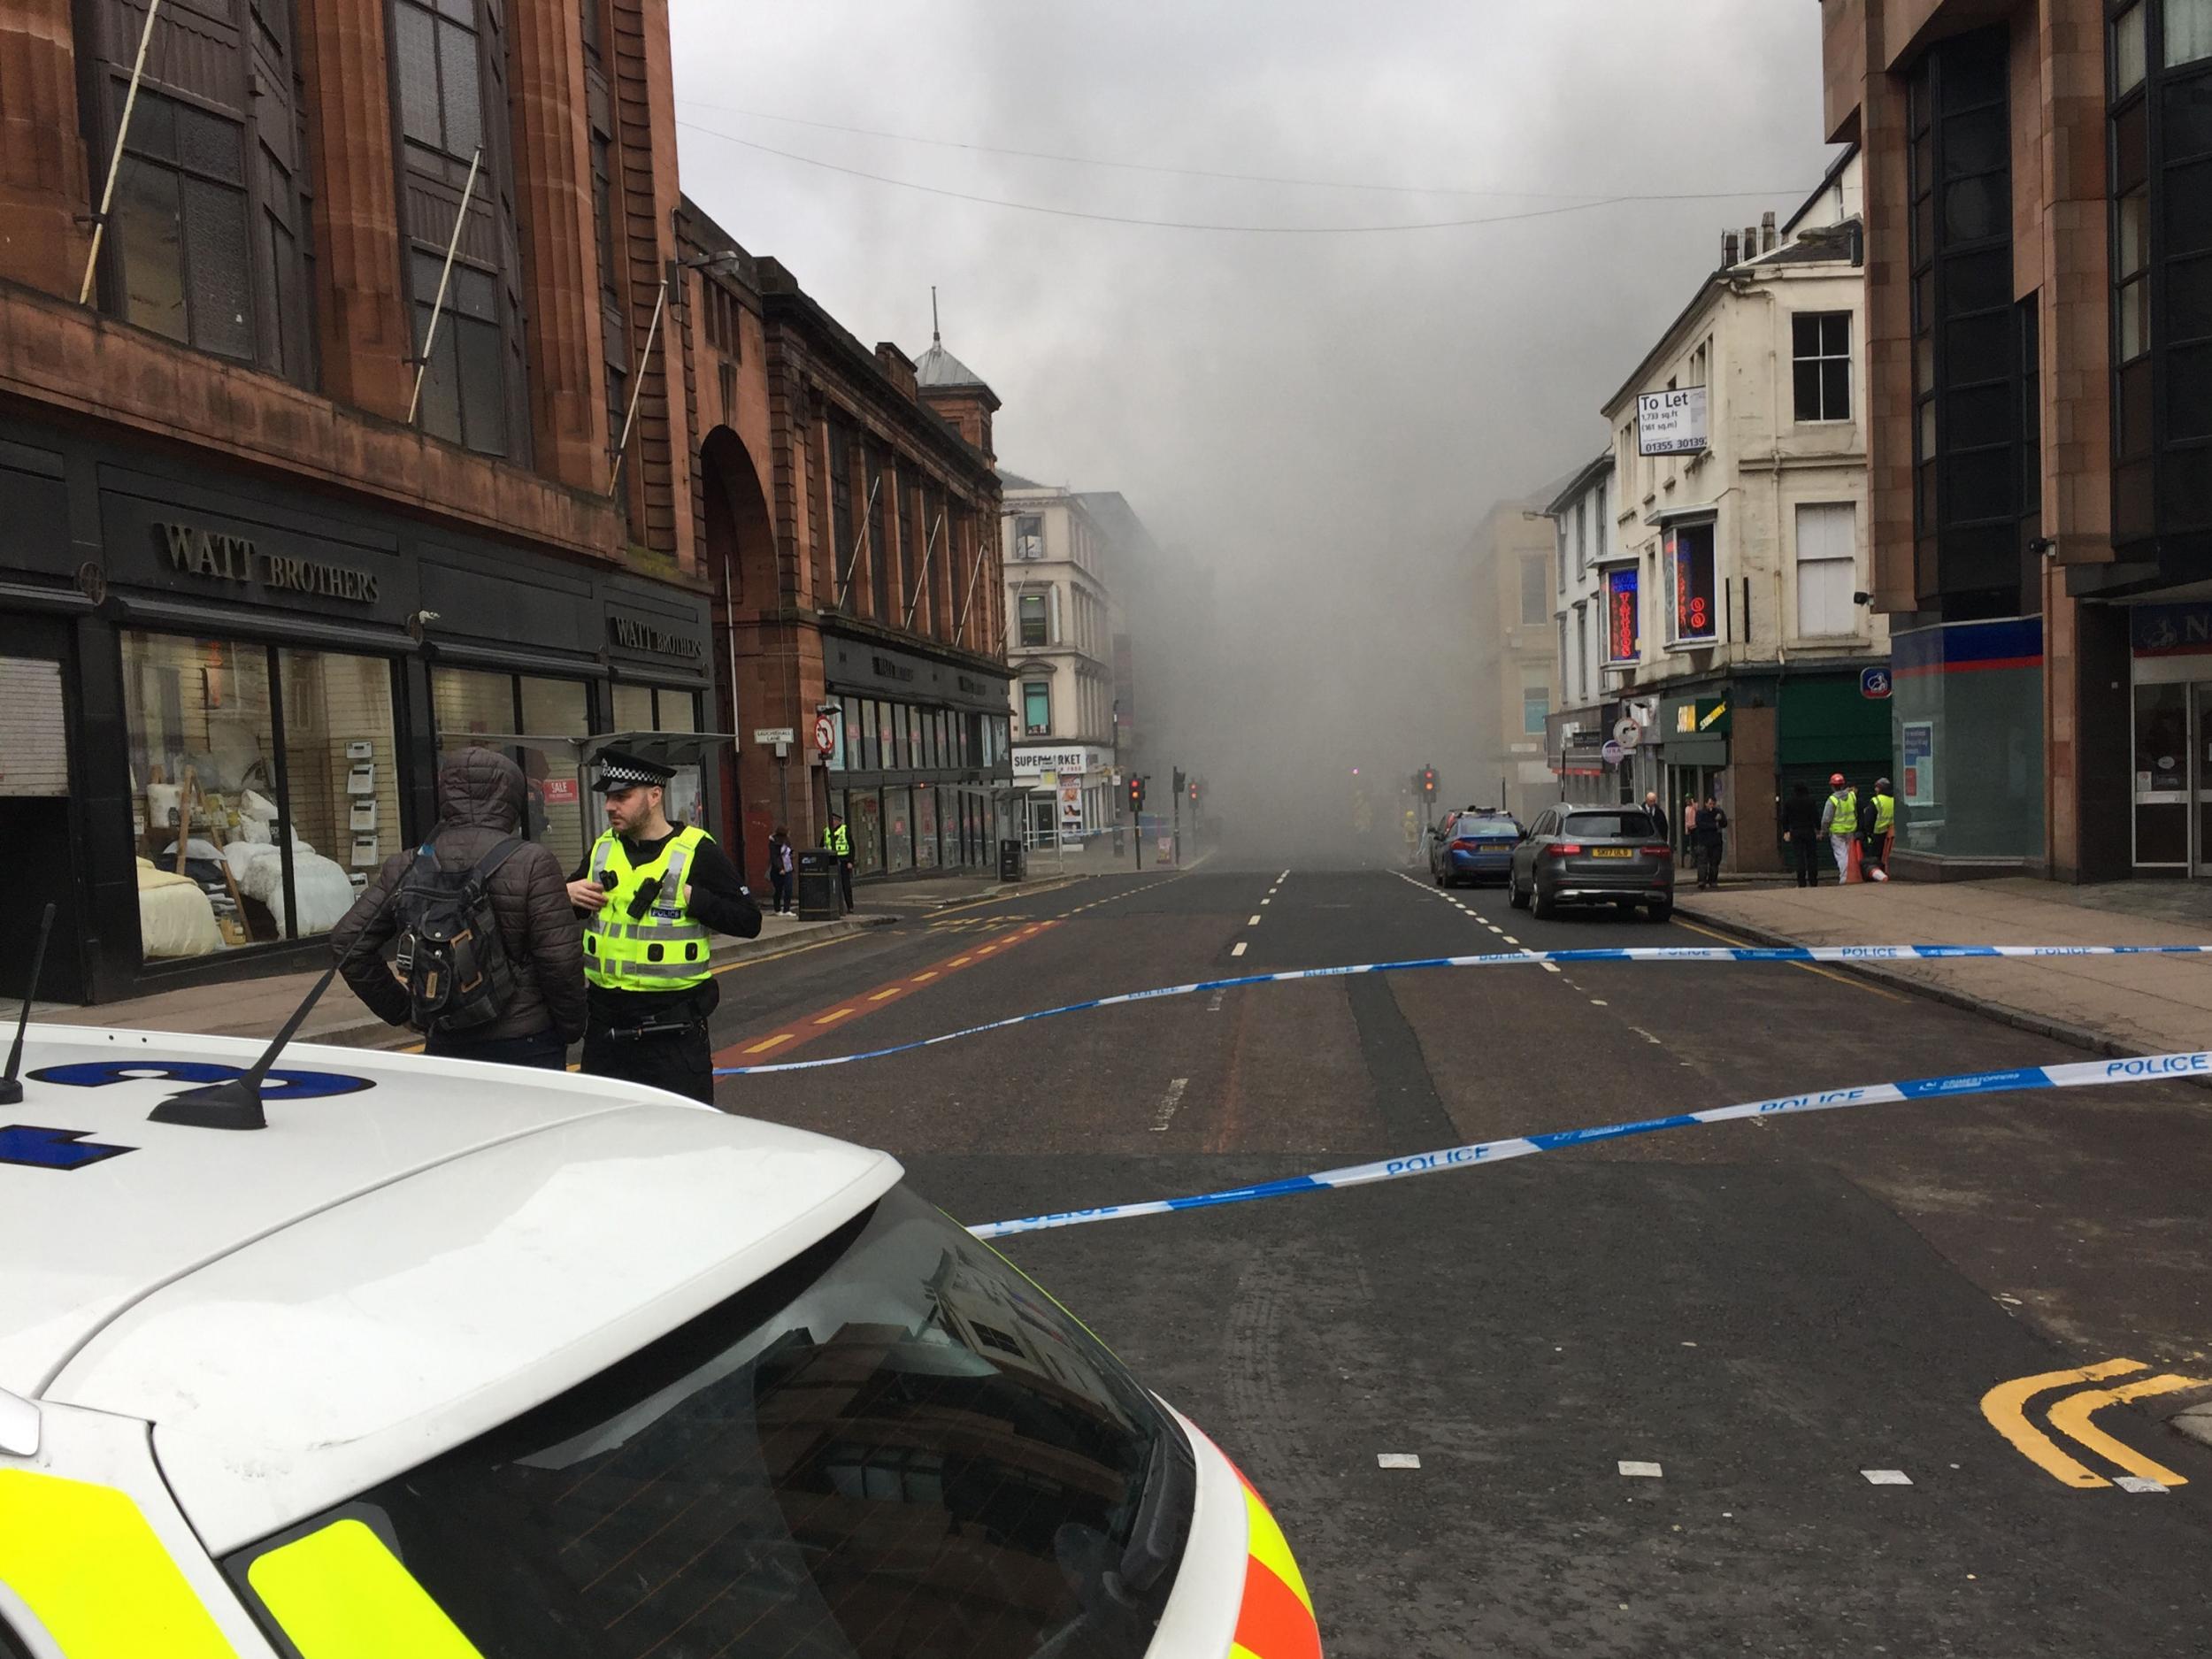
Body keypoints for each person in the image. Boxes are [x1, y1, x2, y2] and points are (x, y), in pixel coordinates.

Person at [331, 746, 587, 1068]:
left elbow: (347, 942)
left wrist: (404, 1011)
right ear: (510, 797)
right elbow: (560, 961)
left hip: (446, 1034)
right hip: (525, 1039)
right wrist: (571, 1027)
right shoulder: (532, 862)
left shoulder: (408, 864)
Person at [567, 749, 761, 1103]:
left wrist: (696, 899)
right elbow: (569, 913)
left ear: (654, 795)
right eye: (608, 797)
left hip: (671, 1035)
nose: (610, 806)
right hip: (605, 1030)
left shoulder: (697, 851)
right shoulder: (602, 849)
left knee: (680, 1144)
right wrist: (565, 894)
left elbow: (749, 921)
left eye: (622, 796)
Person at [1781, 781, 1824, 887]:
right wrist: (1818, 830)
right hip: (1809, 831)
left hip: (1796, 831)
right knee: (1812, 856)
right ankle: (1813, 880)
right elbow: (1816, 816)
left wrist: (1786, 831)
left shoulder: (1789, 802)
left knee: (1799, 856)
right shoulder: (1811, 801)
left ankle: (1801, 881)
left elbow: (1784, 817)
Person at [1820, 772, 1860, 882]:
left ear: (1832, 786)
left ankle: (1845, 878)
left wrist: (1823, 831)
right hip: (1851, 830)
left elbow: (1826, 818)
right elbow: (1855, 812)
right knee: (1850, 854)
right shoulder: (1852, 796)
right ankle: (1852, 876)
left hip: (1837, 832)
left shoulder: (1832, 800)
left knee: (1841, 855)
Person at [1864, 778, 1896, 882]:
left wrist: (1868, 833)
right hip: (1892, 835)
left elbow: (1868, 820)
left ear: (1880, 788)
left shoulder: (1876, 801)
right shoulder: (1895, 800)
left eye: (1877, 787)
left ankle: (1880, 877)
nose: (1875, 789)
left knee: (1875, 859)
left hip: (1877, 835)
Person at [1694, 794, 1728, 890]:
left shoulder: (1719, 812)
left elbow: (1724, 824)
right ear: (1706, 804)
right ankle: (1702, 881)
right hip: (1704, 841)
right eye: (1710, 804)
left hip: (1715, 842)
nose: (1711, 806)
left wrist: (1720, 819)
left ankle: (1713, 880)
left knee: (1714, 863)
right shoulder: (1701, 813)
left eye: (1713, 804)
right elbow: (1700, 825)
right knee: (1702, 862)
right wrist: (1714, 825)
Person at [823, 811, 854, 910]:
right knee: (832, 884)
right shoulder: (826, 831)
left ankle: (850, 906)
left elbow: (852, 847)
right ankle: (834, 906)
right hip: (831, 860)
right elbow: (821, 846)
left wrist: (850, 861)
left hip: (844, 860)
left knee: (846, 885)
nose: (832, 822)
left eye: (834, 820)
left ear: (838, 821)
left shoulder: (844, 830)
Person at [766, 826, 795, 915]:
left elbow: (788, 852)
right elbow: (774, 857)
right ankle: (777, 909)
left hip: (788, 867)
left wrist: (791, 855)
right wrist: (780, 868)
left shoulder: (787, 841)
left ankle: (787, 909)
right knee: (779, 889)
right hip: (779, 869)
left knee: (788, 889)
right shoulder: (774, 842)